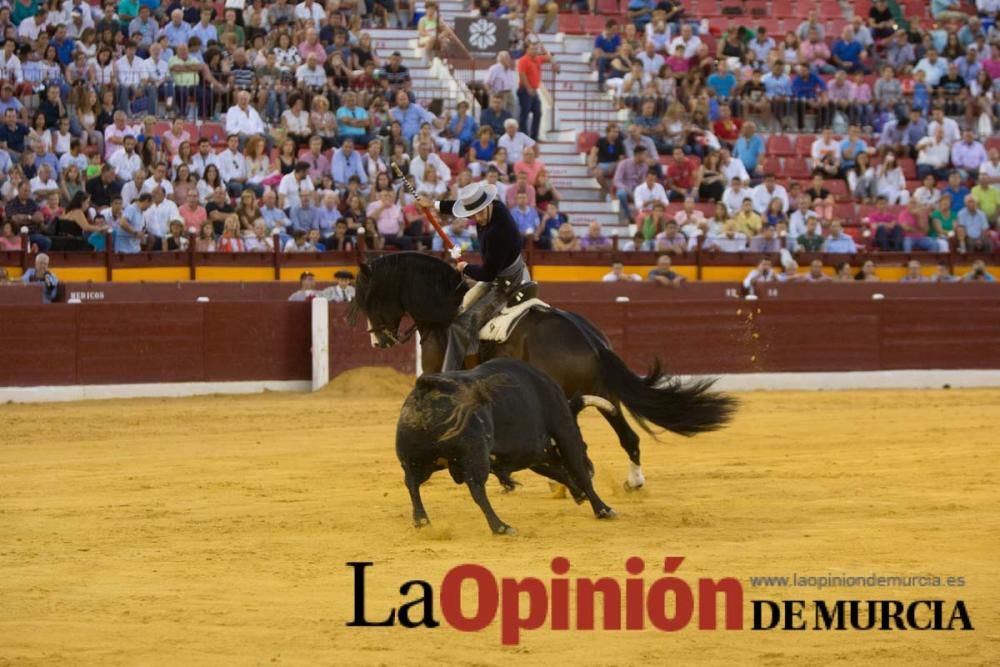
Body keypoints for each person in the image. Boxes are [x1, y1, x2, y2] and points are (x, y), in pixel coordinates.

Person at [417, 181, 527, 372]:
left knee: (462, 325)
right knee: (462, 306)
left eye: (480, 212)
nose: (478, 218)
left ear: (488, 205)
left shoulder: (498, 232)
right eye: (473, 214)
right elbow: (458, 206)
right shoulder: (495, 206)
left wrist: (464, 267)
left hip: (505, 283)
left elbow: (487, 274)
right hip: (501, 273)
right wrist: (433, 204)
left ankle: (462, 374)